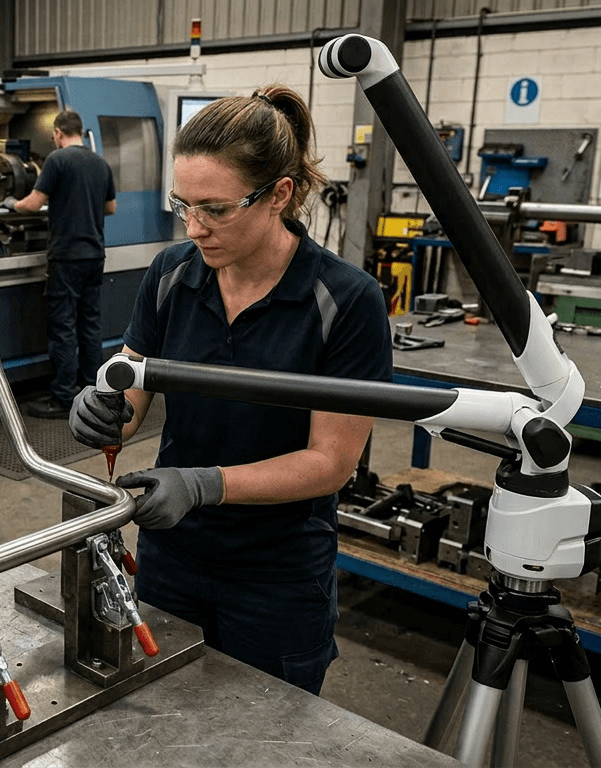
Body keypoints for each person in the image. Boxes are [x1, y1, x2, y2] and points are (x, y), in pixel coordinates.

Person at [67, 87, 393, 695]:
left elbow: (331, 462)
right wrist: (106, 408)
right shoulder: (171, 274)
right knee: (162, 712)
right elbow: (131, 384)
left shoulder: (346, 301)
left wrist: (204, 484)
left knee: (268, 730)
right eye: (183, 206)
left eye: (215, 209)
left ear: (279, 195)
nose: (194, 228)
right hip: (171, 551)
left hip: (276, 574)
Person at [2, 109, 116, 419]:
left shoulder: (57, 160)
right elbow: (111, 207)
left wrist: (10, 203)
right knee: (90, 325)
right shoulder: (100, 162)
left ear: (58, 133)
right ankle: (92, 390)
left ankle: (64, 396)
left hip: (66, 257)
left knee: (64, 327)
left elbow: (33, 204)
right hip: (94, 255)